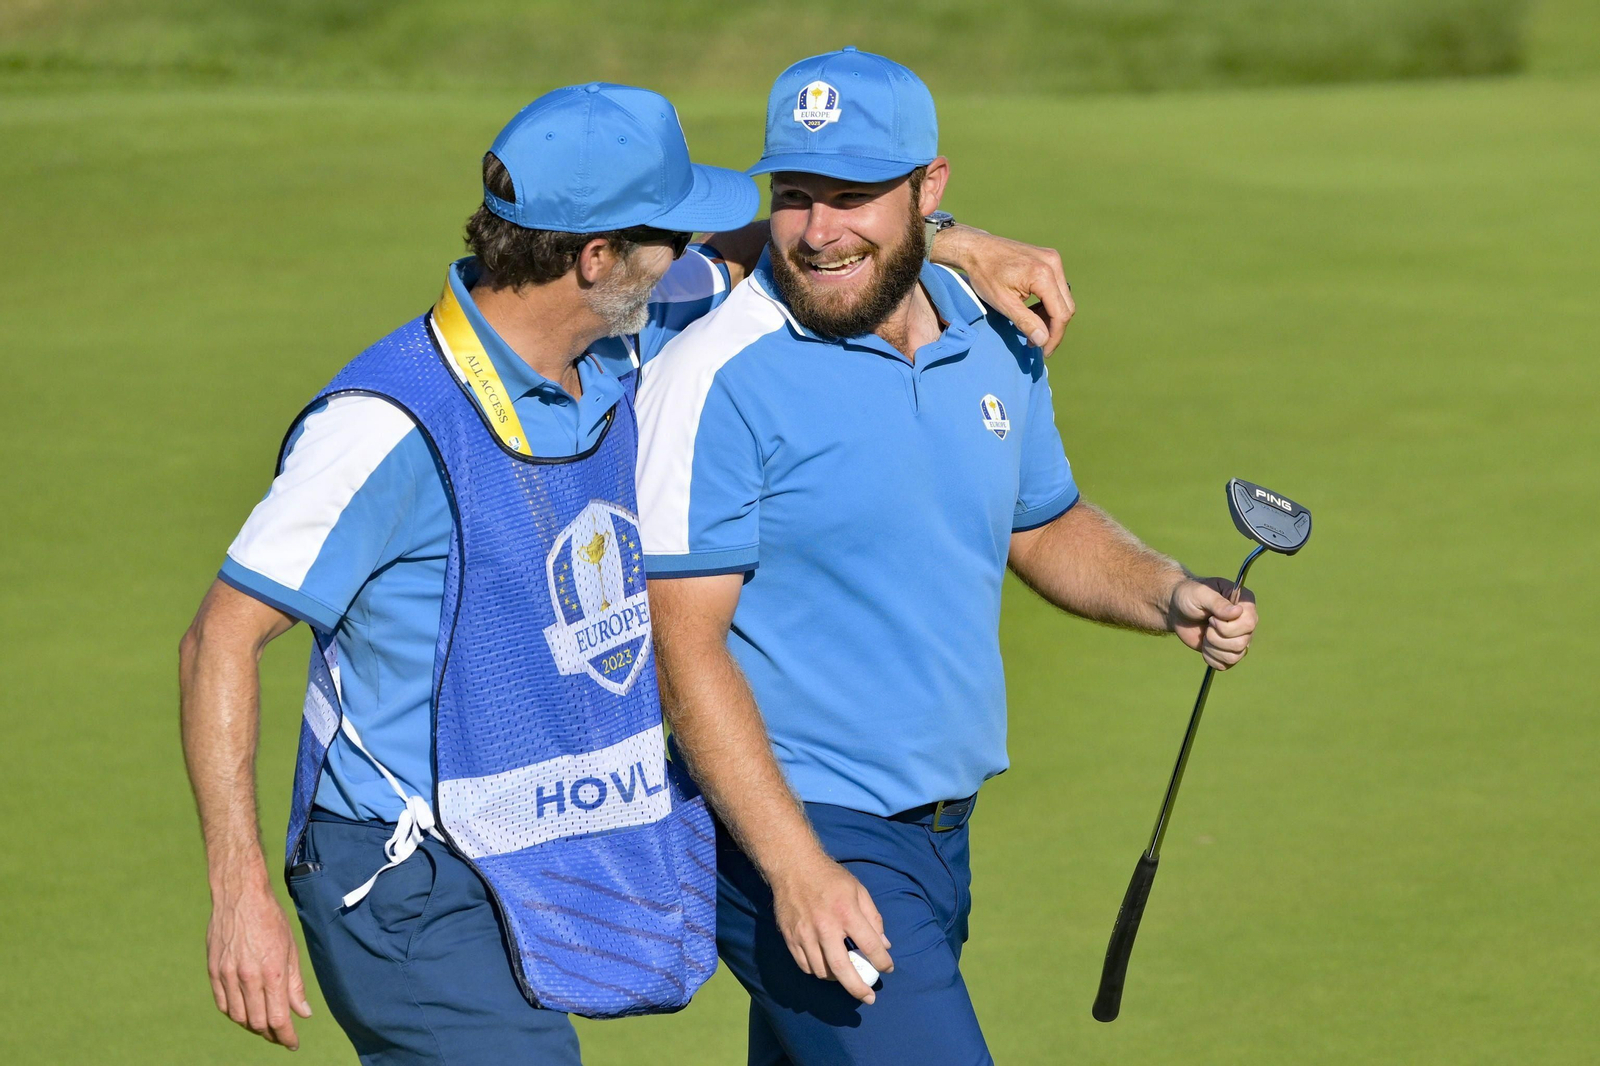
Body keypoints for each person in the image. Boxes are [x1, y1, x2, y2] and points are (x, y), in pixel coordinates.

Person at [178, 79, 1078, 1063]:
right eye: (670, 235)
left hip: (526, 835)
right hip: (407, 872)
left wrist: (947, 236)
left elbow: (786, 236)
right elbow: (219, 637)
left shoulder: (624, 328)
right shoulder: (384, 425)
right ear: (598, 256)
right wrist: (240, 893)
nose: (696, 256)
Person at [637, 48, 1259, 1066]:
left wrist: (1166, 591)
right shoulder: (719, 371)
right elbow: (682, 643)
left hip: (938, 831)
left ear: (929, 191)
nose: (818, 231)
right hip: (798, 827)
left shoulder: (990, 331)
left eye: (852, 196)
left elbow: (1040, 520)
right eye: (794, 196)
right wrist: (795, 866)